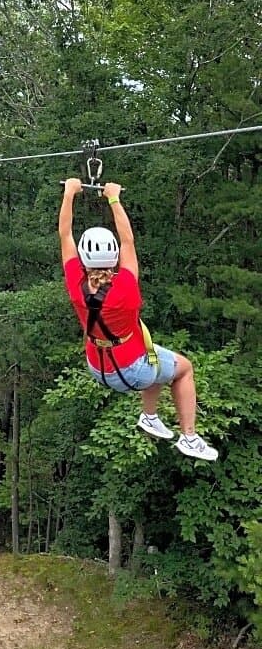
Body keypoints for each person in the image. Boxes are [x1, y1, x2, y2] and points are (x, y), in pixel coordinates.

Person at [58, 177, 218, 462]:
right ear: (115, 256)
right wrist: (114, 198)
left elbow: (65, 235)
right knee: (183, 369)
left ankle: (150, 416)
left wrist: (69, 193)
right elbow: (129, 240)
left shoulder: (75, 285)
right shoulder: (125, 288)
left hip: (98, 368)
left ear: (83, 258)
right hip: (134, 369)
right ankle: (190, 437)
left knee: (156, 357)